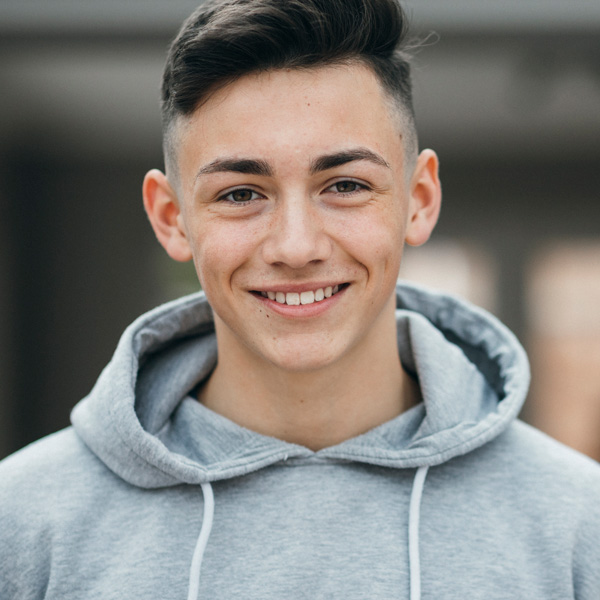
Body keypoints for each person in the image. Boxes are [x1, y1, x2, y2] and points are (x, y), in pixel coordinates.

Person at [1, 0, 599, 598]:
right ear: (171, 218)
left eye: (345, 185)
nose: (296, 246)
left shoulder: (579, 525)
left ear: (418, 198)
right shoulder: (22, 521)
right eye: (240, 193)